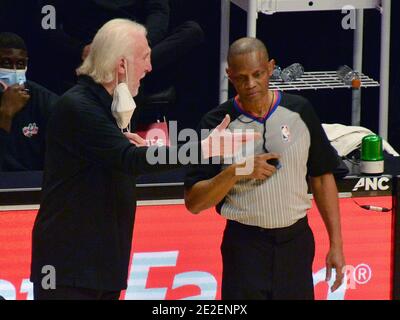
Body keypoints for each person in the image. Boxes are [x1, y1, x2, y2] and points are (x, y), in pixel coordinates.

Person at [30, 19, 256, 300]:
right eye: (145, 57)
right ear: (121, 65)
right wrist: (204, 149)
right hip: (69, 268)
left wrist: (130, 152)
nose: (150, 66)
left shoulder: (107, 106)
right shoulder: (79, 106)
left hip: (100, 264)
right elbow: (130, 159)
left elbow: (118, 161)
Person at [184, 37, 346, 300]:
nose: (251, 85)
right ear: (229, 75)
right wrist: (237, 170)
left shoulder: (300, 111)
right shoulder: (216, 123)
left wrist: (336, 245)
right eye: (241, 77)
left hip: (296, 243)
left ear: (271, 67)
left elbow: (322, 178)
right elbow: (193, 202)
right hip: (245, 247)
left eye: (258, 74)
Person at [37, 0, 204, 95]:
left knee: (192, 31)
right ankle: (125, 67)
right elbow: (47, 22)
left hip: (134, 43)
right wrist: (80, 49)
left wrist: (140, 42)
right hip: (91, 50)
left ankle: (129, 66)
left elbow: (159, 12)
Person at [0, 32, 59, 171]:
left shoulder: (43, 99)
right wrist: (5, 115)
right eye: (6, 63)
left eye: (20, 64)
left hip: (33, 185)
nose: (14, 71)